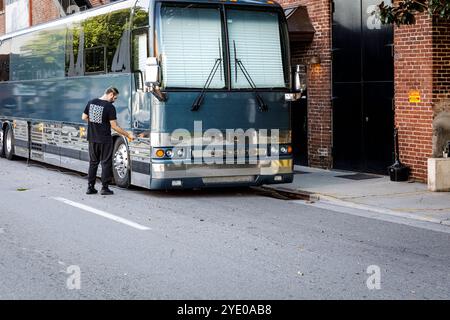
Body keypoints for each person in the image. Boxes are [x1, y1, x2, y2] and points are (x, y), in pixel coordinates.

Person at [82, 87, 134, 195]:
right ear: (111, 94)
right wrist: (127, 134)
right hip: (105, 139)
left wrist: (94, 124)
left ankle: (90, 187)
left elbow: (84, 117)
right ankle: (104, 188)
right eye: (115, 98)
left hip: (92, 138)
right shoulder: (110, 107)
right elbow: (114, 126)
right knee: (105, 163)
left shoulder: (91, 103)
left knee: (93, 163)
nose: (114, 100)